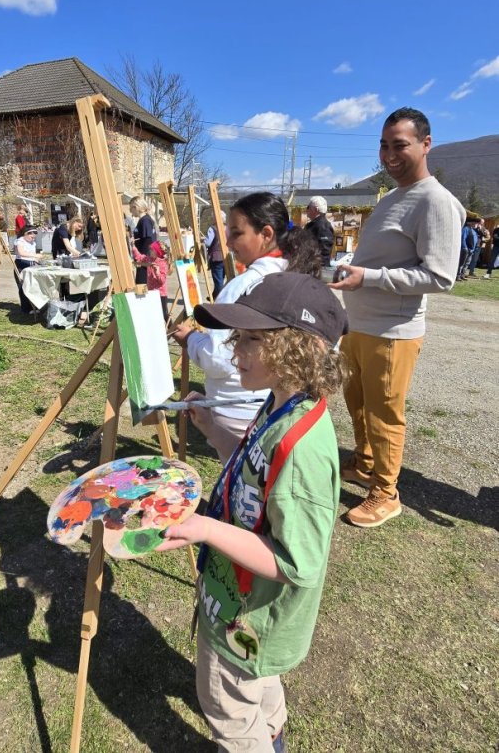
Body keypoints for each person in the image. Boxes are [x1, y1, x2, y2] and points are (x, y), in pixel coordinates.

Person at [158, 272, 348, 752]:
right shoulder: (282, 403)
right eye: (236, 337)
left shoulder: (303, 449)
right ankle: (273, 735)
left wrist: (204, 528)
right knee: (258, 694)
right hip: (245, 608)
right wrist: (216, 434)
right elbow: (254, 480)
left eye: (250, 340)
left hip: (251, 621)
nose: (233, 351)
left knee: (231, 711)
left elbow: (295, 563)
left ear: (296, 351)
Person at [329, 107, 465, 528]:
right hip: (361, 324)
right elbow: (384, 257)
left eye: (400, 145)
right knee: (358, 403)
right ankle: (366, 461)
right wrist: (354, 266)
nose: (390, 153)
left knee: (385, 413)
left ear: (426, 145)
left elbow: (440, 275)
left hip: (393, 331)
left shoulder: (436, 201)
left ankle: (386, 493)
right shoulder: (392, 196)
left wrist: (367, 276)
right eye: (385, 145)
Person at [171, 192, 315, 463]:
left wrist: (191, 339)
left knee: (244, 483)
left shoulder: (243, 286)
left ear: (266, 234)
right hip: (278, 406)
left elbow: (219, 359)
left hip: (237, 406)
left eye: (236, 233)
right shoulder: (297, 276)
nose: (227, 241)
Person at [131, 239, 170, 321]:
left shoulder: (163, 263)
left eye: (152, 250)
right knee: (153, 313)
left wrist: (157, 272)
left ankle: (169, 328)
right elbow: (140, 257)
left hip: (160, 294)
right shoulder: (149, 259)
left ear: (157, 252)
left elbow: (162, 281)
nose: (149, 251)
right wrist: (133, 247)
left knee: (163, 315)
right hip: (151, 292)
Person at [13, 224, 40, 314]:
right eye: (30, 233)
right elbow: (21, 253)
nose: (33, 235)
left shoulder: (33, 242)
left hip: (32, 265)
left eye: (35, 233)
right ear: (25, 234)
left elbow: (33, 255)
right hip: (21, 265)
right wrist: (34, 255)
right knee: (23, 287)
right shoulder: (20, 241)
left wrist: (37, 260)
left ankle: (35, 306)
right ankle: (26, 309)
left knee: (33, 286)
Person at [129, 196, 156, 285]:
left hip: (145, 261)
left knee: (142, 285)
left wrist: (142, 258)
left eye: (131, 208)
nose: (130, 211)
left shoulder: (145, 221)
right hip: (144, 259)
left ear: (135, 207)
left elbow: (149, 241)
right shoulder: (145, 220)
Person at [304, 196, 334, 267]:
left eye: (308, 207)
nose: (306, 210)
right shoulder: (314, 224)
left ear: (315, 209)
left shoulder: (323, 226)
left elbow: (324, 252)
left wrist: (316, 269)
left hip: (315, 268)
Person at [203, 211, 227, 298]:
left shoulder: (212, 228)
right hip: (227, 257)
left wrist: (203, 241)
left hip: (216, 257)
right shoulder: (227, 228)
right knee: (221, 279)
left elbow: (208, 243)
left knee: (218, 280)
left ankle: (219, 298)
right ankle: (214, 295)